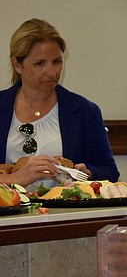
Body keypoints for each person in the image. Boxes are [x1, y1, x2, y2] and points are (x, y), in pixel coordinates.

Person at [0, 18, 119, 191]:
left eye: (57, 61)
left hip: (65, 215)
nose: (52, 71)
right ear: (17, 64)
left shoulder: (85, 111)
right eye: (40, 63)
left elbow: (110, 172)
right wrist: (14, 179)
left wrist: (87, 173)